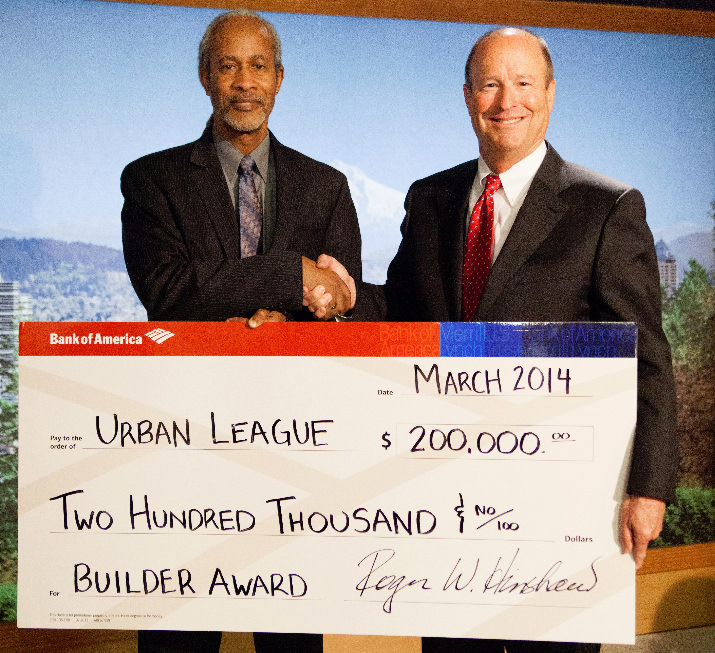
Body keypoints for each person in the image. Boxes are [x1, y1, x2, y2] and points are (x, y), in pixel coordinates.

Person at [305, 27, 677, 653]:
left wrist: (650, 485)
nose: (508, 100)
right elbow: (403, 309)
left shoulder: (607, 207)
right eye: (490, 84)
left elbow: (648, 359)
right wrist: (342, 298)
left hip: (562, 495)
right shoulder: (430, 198)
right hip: (446, 490)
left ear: (551, 94)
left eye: (524, 82)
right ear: (467, 96)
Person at [121, 8, 362, 652]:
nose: (244, 82)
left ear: (279, 78)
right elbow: (170, 290)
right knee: (178, 637)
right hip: (183, 443)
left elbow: (341, 308)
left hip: (296, 449)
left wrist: (287, 314)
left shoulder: (328, 187)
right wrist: (290, 277)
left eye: (258, 66)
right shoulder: (152, 180)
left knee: (291, 641)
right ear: (205, 77)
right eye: (228, 65)